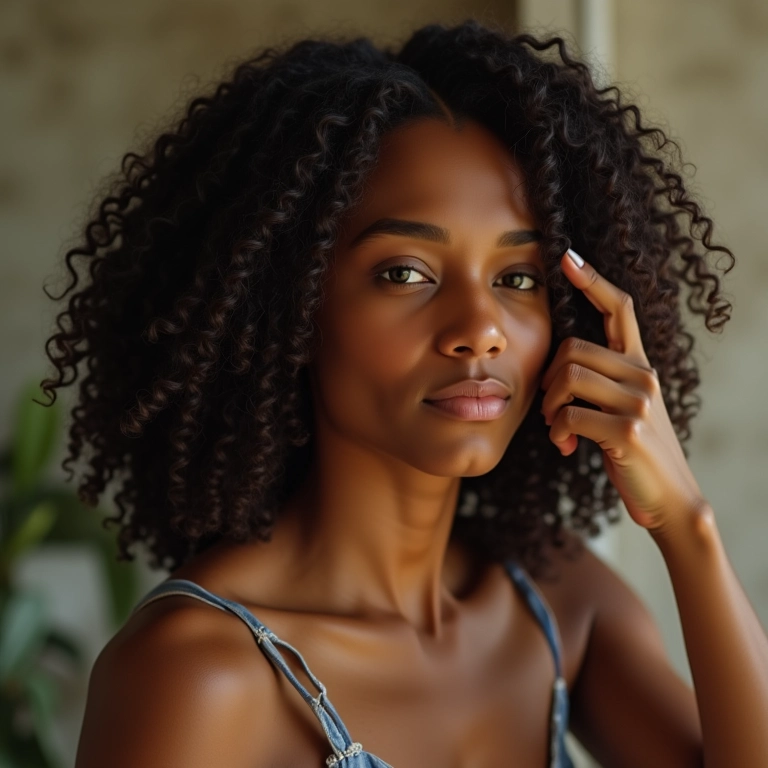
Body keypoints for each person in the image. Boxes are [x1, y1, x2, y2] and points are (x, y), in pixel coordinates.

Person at [39, 18, 767, 768]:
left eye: (518, 279)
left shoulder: (559, 600)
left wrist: (686, 525)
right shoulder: (196, 672)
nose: (480, 329)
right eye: (406, 273)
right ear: (288, 305)